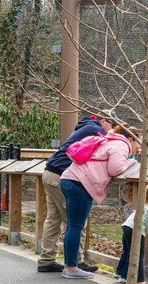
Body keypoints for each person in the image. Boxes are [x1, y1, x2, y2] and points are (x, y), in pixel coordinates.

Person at [37, 111, 121, 273]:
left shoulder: (85, 127)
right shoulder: (95, 130)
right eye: (113, 126)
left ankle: (46, 260)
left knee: (53, 219)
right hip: (60, 174)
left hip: (50, 172)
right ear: (103, 121)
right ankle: (76, 262)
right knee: (74, 221)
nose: (113, 130)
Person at [60, 123, 142, 279]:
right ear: (131, 138)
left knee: (72, 225)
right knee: (75, 226)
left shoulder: (109, 140)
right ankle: (71, 267)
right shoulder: (121, 144)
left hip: (70, 179)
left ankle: (68, 266)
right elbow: (115, 169)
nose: (139, 148)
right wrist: (132, 161)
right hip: (80, 183)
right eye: (139, 143)